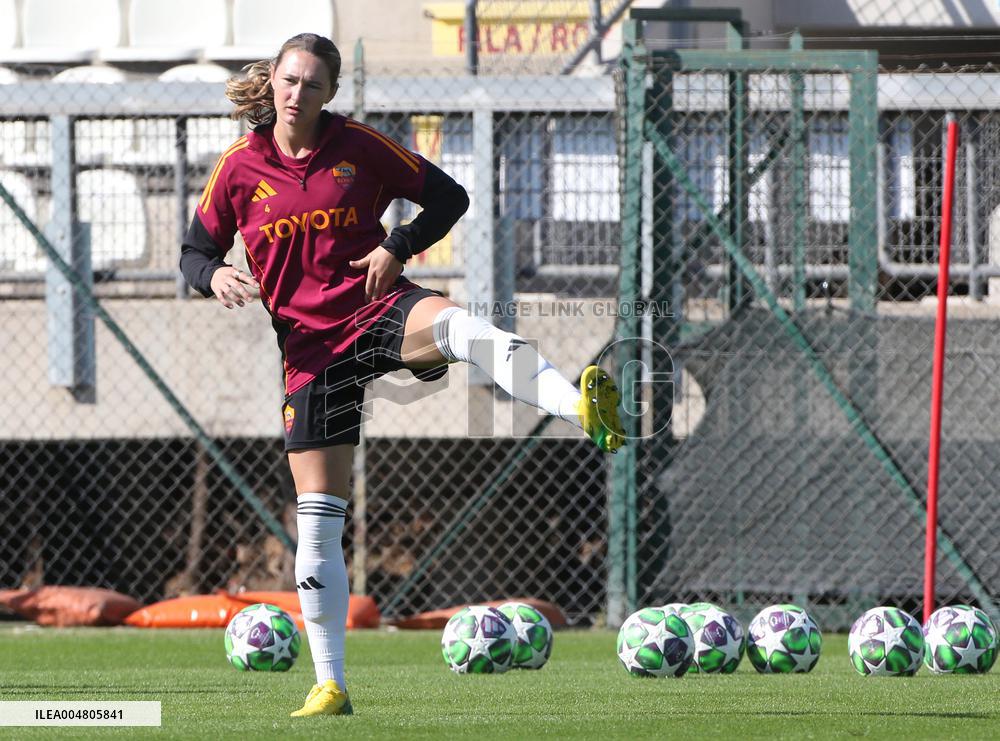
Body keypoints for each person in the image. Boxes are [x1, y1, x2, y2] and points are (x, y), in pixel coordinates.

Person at [180, 32, 626, 717]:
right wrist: (215, 275)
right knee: (319, 526)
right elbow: (194, 251)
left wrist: (398, 243)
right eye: (289, 81)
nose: (298, 95)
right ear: (272, 82)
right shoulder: (239, 168)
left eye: (312, 85)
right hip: (310, 356)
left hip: (379, 309)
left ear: (330, 94)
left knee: (469, 328)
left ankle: (582, 409)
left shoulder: (359, 147)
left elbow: (449, 197)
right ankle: (330, 684)